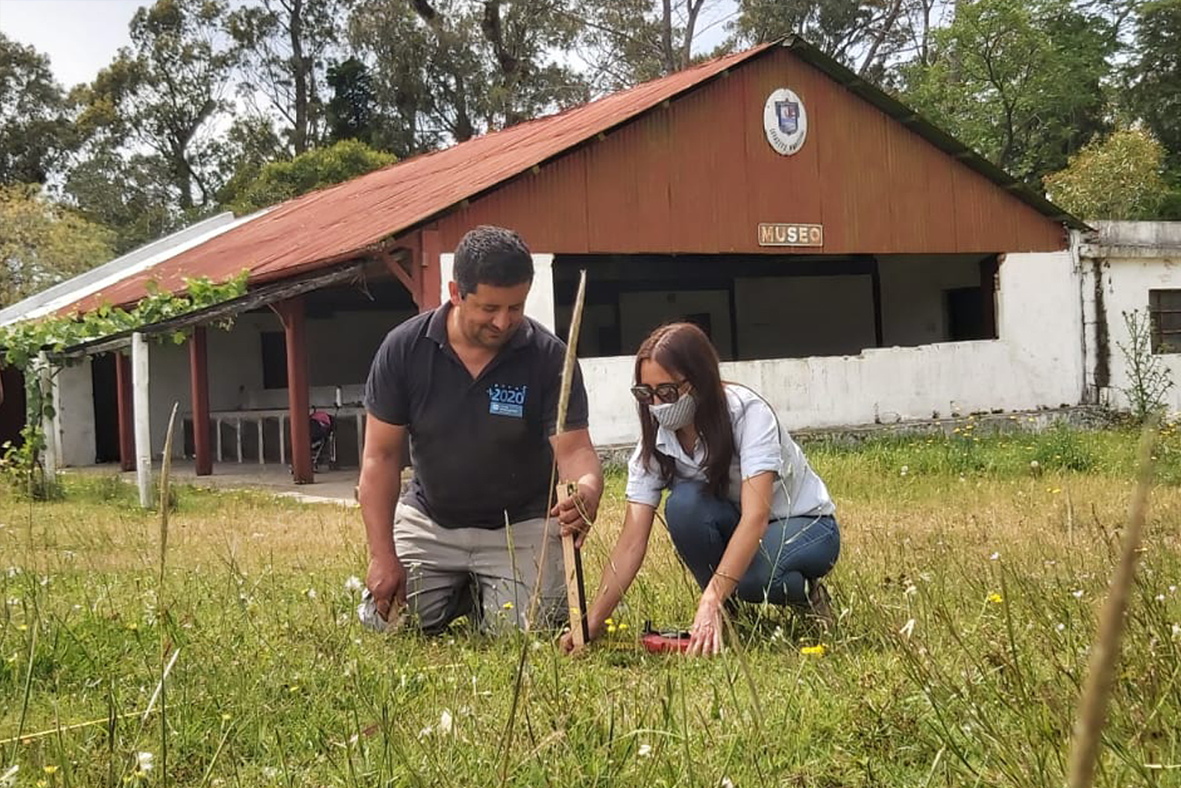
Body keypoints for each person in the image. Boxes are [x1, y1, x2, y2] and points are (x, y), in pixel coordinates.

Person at [359, 225, 603, 634]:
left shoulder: (548, 358)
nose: (504, 321)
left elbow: (575, 450)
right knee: (387, 627)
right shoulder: (403, 349)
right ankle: (460, 587)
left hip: (521, 527)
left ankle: (482, 592)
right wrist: (382, 555)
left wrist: (589, 487)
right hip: (431, 521)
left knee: (527, 632)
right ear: (456, 293)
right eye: (489, 308)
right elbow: (379, 457)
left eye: (516, 307)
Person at [563, 322, 839, 656]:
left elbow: (756, 516)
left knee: (754, 578)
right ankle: (729, 617)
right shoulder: (655, 442)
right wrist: (592, 623)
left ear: (699, 382)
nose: (656, 404)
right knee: (683, 506)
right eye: (644, 393)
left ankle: (806, 596)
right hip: (743, 527)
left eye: (667, 392)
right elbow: (632, 542)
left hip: (803, 524)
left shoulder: (747, 414)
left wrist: (709, 598)